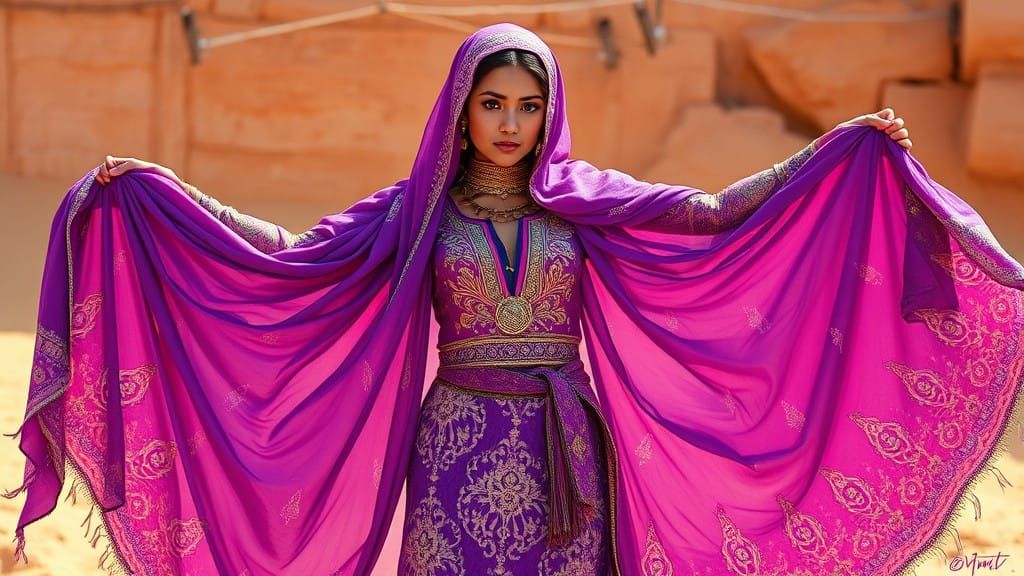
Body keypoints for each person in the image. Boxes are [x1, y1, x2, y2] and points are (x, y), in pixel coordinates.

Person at [8, 23, 1022, 576]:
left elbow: (714, 213)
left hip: (565, 455)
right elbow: (288, 253)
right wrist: (160, 196)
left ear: (548, 114)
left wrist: (834, 150)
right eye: (491, 102)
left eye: (528, 104)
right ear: (460, 106)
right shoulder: (413, 211)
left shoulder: (585, 203)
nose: (509, 121)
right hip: (452, 444)